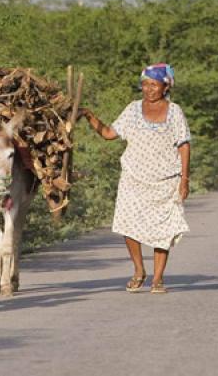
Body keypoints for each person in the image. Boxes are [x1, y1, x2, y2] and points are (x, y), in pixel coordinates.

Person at [81, 63, 191, 294]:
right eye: (145, 84)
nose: (149, 89)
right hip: (133, 178)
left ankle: (158, 279)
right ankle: (139, 270)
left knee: (164, 230)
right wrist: (90, 116)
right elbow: (110, 133)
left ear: (166, 86)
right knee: (128, 224)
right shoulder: (132, 110)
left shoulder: (174, 112)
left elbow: (184, 145)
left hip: (165, 180)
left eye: (154, 84)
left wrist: (184, 180)